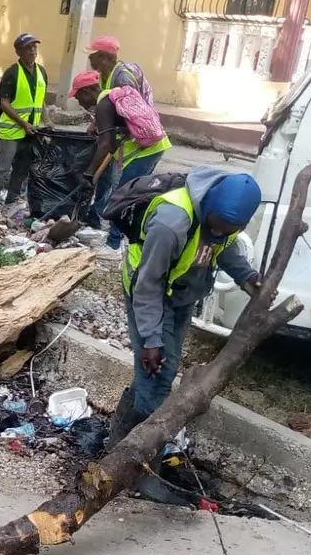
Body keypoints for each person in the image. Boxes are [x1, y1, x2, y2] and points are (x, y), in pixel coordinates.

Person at [112, 169, 262, 442]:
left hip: (181, 294)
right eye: (213, 225)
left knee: (158, 371)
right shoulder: (172, 222)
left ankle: (118, 439)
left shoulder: (223, 221)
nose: (217, 233)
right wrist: (151, 337)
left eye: (226, 230)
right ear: (208, 206)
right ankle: (142, 459)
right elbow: (148, 284)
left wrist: (246, 277)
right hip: (149, 293)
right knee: (158, 374)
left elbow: (222, 246)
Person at [69, 69, 172, 250]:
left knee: (122, 197)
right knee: (133, 195)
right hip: (155, 145)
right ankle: (131, 238)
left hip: (144, 152)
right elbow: (118, 133)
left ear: (87, 91)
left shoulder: (104, 105)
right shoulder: (112, 96)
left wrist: (89, 172)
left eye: (78, 97)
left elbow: (105, 145)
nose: (79, 103)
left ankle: (113, 244)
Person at [83, 36, 167, 237]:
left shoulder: (122, 78)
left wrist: (89, 171)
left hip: (144, 144)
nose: (90, 61)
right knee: (114, 183)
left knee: (124, 193)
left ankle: (115, 239)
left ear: (104, 57)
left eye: (92, 57)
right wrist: (99, 123)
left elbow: (135, 113)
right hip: (134, 143)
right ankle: (96, 217)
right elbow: (108, 105)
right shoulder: (104, 75)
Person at [0, 33, 47, 206]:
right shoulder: (12, 72)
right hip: (13, 130)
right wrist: (23, 123)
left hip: (32, 130)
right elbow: (4, 102)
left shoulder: (41, 71)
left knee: (22, 168)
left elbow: (40, 99)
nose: (32, 50)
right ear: (19, 51)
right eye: (28, 48)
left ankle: (12, 199)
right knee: (3, 166)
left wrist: (48, 121)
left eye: (34, 47)